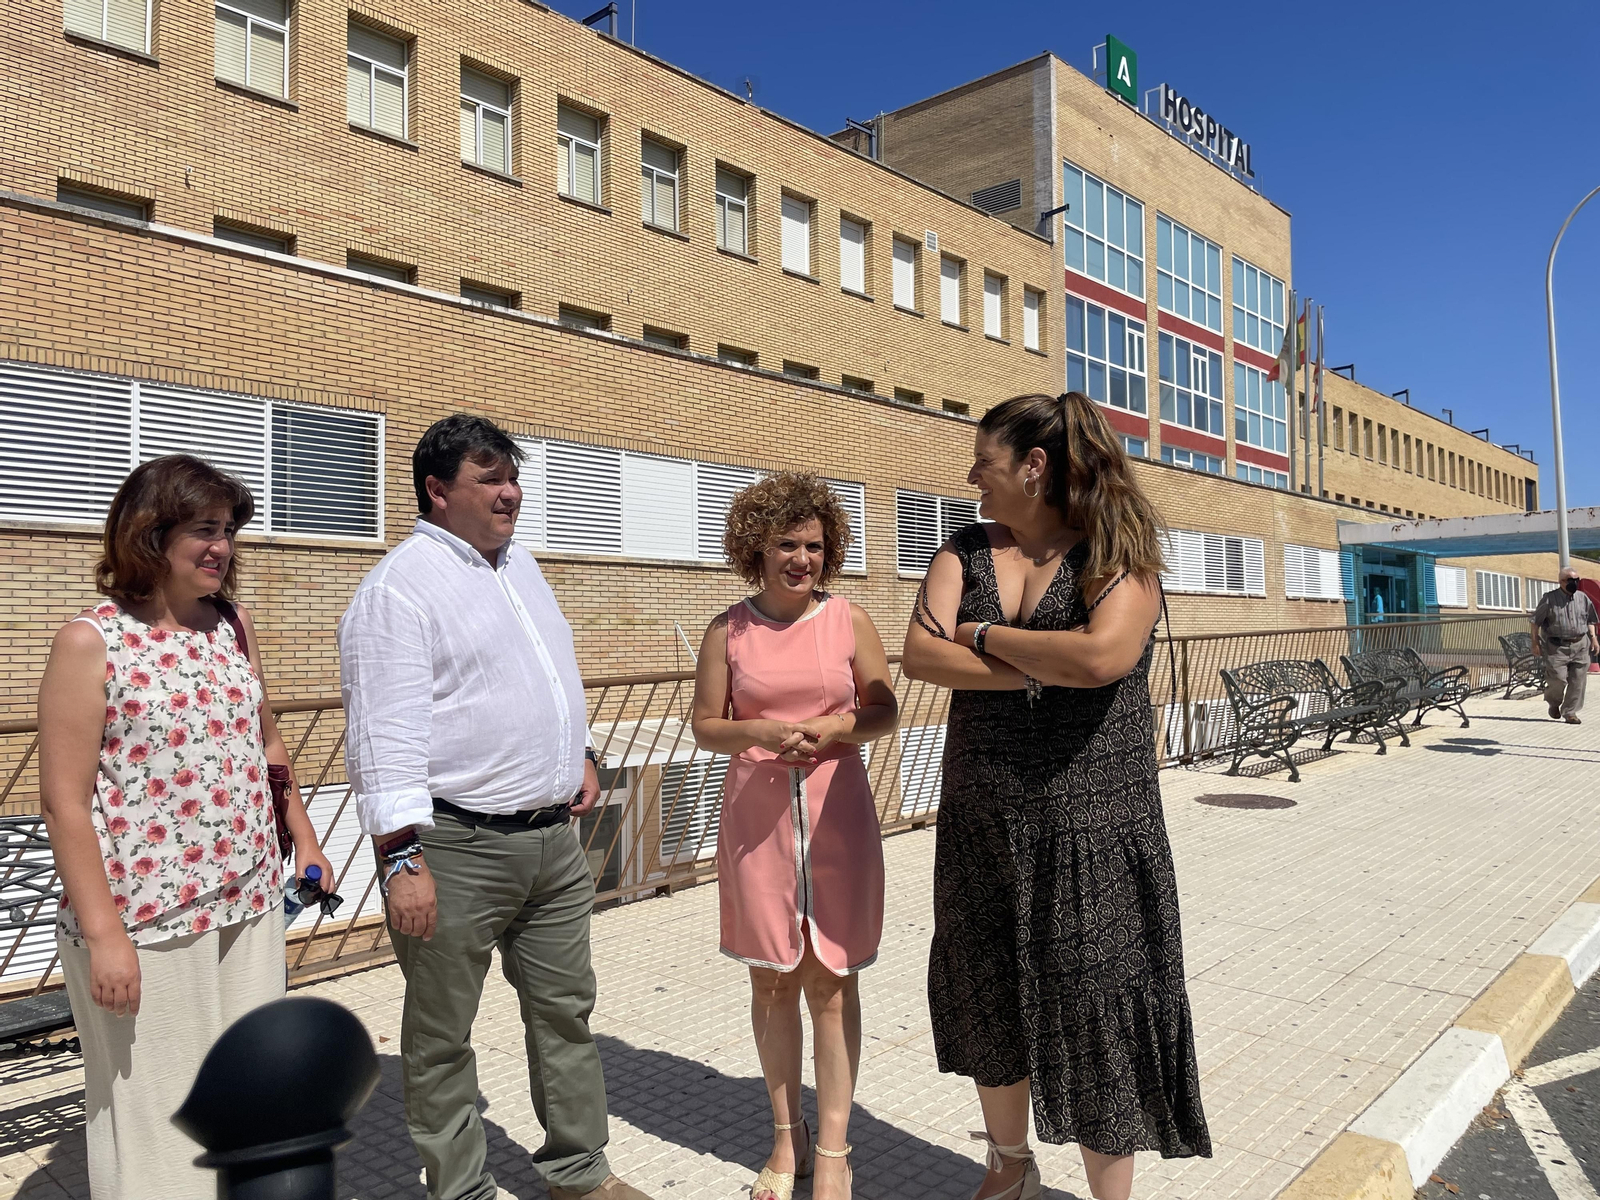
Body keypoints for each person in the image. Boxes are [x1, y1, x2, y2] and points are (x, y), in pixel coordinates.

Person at [902, 393, 1210, 1200]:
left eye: (985, 463)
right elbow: (918, 658)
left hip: (1093, 825)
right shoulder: (964, 548)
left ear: (1033, 468)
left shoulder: (1116, 549)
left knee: (1097, 1008)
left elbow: (1103, 656)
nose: (972, 477)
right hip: (981, 818)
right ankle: (1009, 1168)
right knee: (986, 991)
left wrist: (980, 637)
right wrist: (1048, 659)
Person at [338, 414, 651, 1200]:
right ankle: (462, 1188)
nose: (511, 493)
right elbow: (385, 734)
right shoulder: (400, 588)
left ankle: (579, 1173)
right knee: (443, 1037)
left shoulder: (519, 566)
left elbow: (540, 678)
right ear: (438, 491)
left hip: (551, 842)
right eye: (490, 479)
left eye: (513, 477)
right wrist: (402, 858)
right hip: (455, 849)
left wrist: (578, 751)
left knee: (565, 1017)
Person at [36, 454, 332, 1198]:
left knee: (243, 1096)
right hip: (145, 920)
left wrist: (305, 837)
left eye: (229, 530)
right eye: (205, 528)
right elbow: (63, 802)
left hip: (248, 901)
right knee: (154, 1116)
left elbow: (266, 746)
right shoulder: (90, 641)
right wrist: (105, 936)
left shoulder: (233, 625)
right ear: (150, 535)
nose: (222, 546)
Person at [690, 473, 897, 1200]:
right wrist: (760, 731)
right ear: (757, 548)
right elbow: (707, 724)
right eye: (787, 543)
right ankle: (787, 1139)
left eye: (813, 545)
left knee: (832, 984)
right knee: (773, 982)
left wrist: (840, 726)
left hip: (837, 817)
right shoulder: (728, 629)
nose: (801, 558)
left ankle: (835, 1149)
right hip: (758, 823)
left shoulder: (850, 620)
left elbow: (883, 710)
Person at [1531, 567, 1599, 724]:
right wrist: (1534, 643)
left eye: (1576, 579)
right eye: (1570, 580)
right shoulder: (1549, 599)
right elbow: (1535, 622)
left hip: (1580, 644)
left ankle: (1570, 712)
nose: (1574, 583)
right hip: (1556, 647)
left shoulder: (1583, 598)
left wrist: (1594, 639)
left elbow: (1590, 620)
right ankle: (1553, 702)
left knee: (1578, 681)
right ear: (1561, 581)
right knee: (1558, 680)